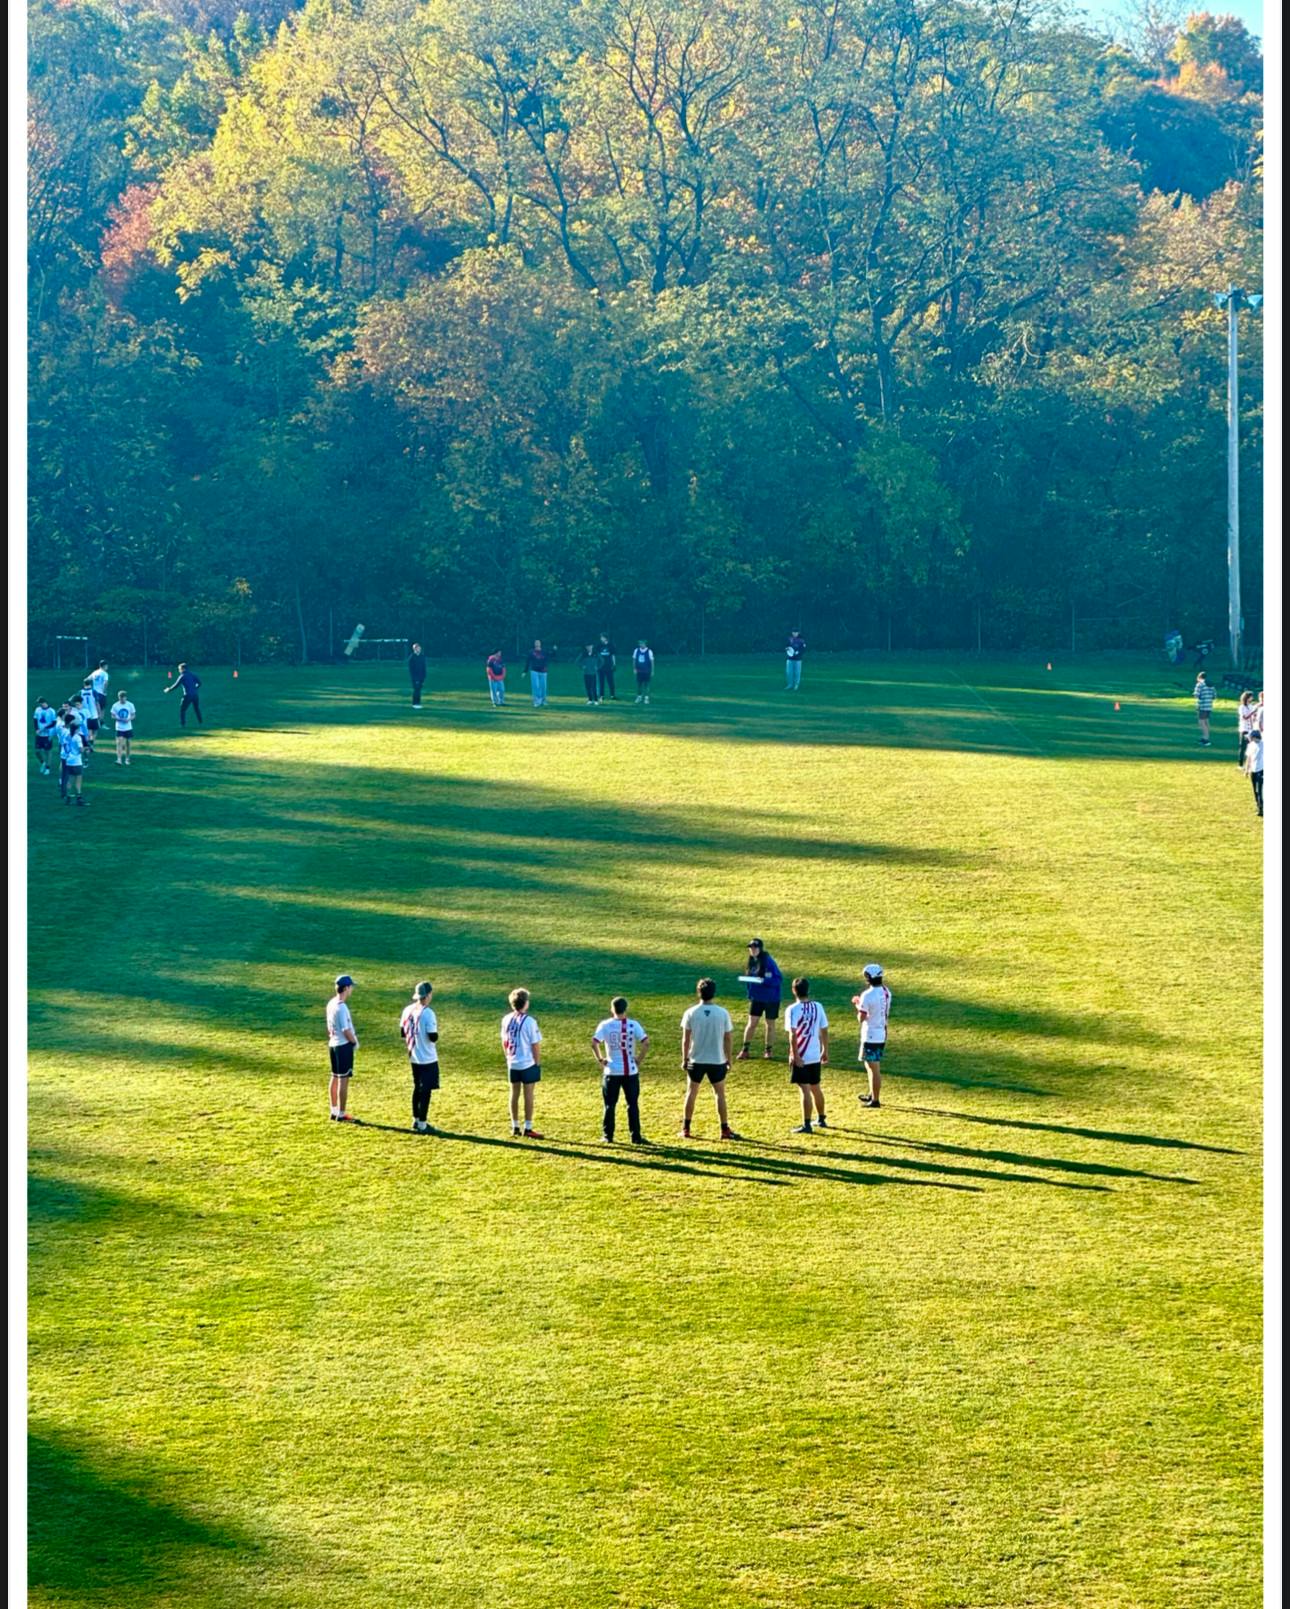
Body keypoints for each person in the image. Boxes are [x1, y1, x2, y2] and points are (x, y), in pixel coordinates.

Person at [679, 979, 738, 1140]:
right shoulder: (722, 1013)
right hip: (717, 1060)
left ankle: (686, 1128)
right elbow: (728, 1038)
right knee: (720, 1094)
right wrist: (729, 1058)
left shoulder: (691, 1012)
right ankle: (724, 1129)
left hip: (696, 1060)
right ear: (714, 993)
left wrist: (684, 1058)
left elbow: (685, 1039)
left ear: (698, 993)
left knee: (691, 1093)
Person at [592, 996, 650, 1144]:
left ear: (612, 1009)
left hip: (612, 1071)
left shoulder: (605, 1025)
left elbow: (594, 1043)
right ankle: (636, 1136)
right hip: (630, 1071)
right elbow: (646, 1043)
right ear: (626, 1009)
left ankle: (608, 1136)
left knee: (609, 1105)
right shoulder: (633, 1025)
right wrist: (638, 1059)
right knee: (632, 1104)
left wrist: (601, 1059)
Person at [785, 977, 829, 1133]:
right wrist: (825, 1050)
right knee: (816, 1087)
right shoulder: (818, 1006)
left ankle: (807, 1124)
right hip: (815, 1054)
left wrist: (795, 1055)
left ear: (794, 991)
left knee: (804, 1090)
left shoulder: (792, 1009)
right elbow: (824, 1029)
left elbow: (792, 1034)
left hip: (802, 1055)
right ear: (807, 990)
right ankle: (821, 1118)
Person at [501, 988, 543, 1137]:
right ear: (525, 1003)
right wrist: (537, 1062)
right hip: (527, 1062)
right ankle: (528, 1127)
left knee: (514, 1093)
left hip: (512, 1062)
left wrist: (508, 1057)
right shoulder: (530, 1022)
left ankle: (515, 1126)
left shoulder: (506, 1019)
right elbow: (535, 1044)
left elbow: (504, 1041)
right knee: (529, 1094)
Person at [400, 981, 441, 1133]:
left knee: (417, 1087)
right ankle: (423, 1124)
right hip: (427, 1057)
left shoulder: (407, 1010)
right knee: (426, 1091)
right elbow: (433, 1036)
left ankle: (416, 1119)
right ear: (428, 995)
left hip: (414, 1055)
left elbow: (403, 1032)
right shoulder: (428, 1013)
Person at [737, 937, 783, 1060]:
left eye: (755, 948)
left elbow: (778, 979)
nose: (752, 950)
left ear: (760, 948)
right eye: (750, 948)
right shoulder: (751, 961)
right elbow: (750, 980)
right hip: (757, 998)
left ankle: (768, 1050)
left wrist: (763, 981)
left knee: (770, 1025)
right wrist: (750, 994)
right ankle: (745, 1050)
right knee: (752, 1023)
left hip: (771, 999)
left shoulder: (768, 961)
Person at [853, 963, 891, 1109]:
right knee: (871, 1066)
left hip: (870, 1035)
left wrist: (858, 1005)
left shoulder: (867, 995)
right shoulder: (886, 991)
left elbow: (861, 1018)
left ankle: (875, 1100)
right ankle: (872, 1093)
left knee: (873, 1068)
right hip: (881, 1033)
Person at [327, 974, 359, 1122]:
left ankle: (333, 1110)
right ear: (346, 988)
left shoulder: (331, 1003)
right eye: (350, 987)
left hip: (333, 1044)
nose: (351, 989)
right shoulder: (342, 1007)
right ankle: (341, 1113)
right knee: (343, 1080)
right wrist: (354, 1042)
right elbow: (346, 1030)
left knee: (334, 1077)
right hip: (343, 1046)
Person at [58, 711, 86, 805]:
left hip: (68, 760)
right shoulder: (77, 737)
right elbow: (80, 750)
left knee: (69, 780)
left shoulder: (66, 735)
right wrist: (86, 749)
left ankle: (68, 797)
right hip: (76, 761)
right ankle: (79, 798)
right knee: (78, 780)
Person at [109, 690, 136, 765]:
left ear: (125, 697)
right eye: (120, 698)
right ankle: (119, 759)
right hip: (119, 727)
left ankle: (127, 759)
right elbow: (112, 715)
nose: (121, 700)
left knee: (128, 743)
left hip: (128, 727)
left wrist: (129, 719)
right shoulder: (115, 705)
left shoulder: (130, 705)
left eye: (123, 698)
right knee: (119, 743)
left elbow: (133, 715)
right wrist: (119, 719)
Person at [32, 699, 58, 775]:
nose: (39, 704)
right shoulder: (37, 709)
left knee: (48, 751)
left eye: (40, 703)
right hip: (39, 734)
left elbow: (54, 723)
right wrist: (37, 729)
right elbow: (35, 719)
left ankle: (47, 768)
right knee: (37, 751)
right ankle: (43, 762)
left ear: (44, 702)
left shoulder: (51, 711)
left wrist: (44, 728)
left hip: (48, 735)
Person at [1243, 728, 1264, 817]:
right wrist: (1246, 770)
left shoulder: (1263, 745)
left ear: (1254, 737)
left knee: (1259, 790)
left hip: (1261, 770)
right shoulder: (1250, 745)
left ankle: (1261, 809)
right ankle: (1258, 805)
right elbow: (1249, 758)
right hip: (1253, 770)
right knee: (1255, 790)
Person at [524, 640, 550, 708]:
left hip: (543, 671)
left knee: (543, 687)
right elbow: (528, 661)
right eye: (536, 643)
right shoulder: (531, 652)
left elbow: (551, 655)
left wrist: (555, 650)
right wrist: (525, 671)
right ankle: (536, 701)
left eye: (538, 643)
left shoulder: (544, 651)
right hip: (534, 671)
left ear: (540, 644)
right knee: (536, 686)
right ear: (534, 644)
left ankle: (543, 701)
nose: (537, 644)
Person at [78, 681, 100, 758]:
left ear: (84, 684)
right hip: (94, 714)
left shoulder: (80, 692)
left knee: (88, 731)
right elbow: (97, 703)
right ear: (91, 684)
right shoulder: (94, 691)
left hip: (85, 715)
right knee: (95, 731)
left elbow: (72, 699)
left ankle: (89, 744)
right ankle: (91, 744)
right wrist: (99, 713)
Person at [1193, 672, 1215, 746]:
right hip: (1209, 706)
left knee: (1201, 723)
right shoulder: (1211, 685)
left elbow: (1196, 695)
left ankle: (1206, 739)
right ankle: (1206, 737)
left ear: (1199, 677)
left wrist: (1195, 695)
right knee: (1206, 722)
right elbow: (1214, 696)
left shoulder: (1199, 685)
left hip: (1202, 706)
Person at [1237, 691, 1258, 766]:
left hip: (1251, 729)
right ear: (1247, 698)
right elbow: (1245, 717)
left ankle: (1250, 763)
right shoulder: (1242, 707)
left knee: (1252, 747)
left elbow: (1254, 716)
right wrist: (1253, 712)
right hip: (1244, 729)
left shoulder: (1251, 706)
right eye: (1251, 697)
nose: (1252, 698)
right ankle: (1240, 764)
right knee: (1243, 746)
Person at [597, 635, 617, 701]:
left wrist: (614, 664)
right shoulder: (599, 645)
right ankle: (601, 696)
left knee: (611, 681)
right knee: (601, 682)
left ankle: (612, 695)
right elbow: (597, 655)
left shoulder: (611, 645)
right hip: (601, 667)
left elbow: (613, 655)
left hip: (609, 666)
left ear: (606, 638)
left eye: (602, 637)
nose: (601, 639)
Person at [408, 643, 427, 710]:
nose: (419, 649)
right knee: (416, 690)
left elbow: (424, 667)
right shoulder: (412, 657)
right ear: (414, 649)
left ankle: (418, 703)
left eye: (419, 648)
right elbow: (411, 669)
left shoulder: (422, 656)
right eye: (417, 648)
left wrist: (424, 676)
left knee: (419, 690)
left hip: (421, 677)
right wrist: (415, 678)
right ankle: (415, 703)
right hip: (415, 677)